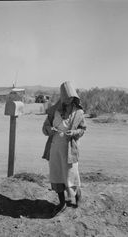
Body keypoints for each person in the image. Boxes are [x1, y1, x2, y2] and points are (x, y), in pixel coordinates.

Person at [42, 81, 86, 214]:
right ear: (62, 98)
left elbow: (83, 129)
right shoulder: (53, 111)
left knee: (72, 174)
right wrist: (51, 129)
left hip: (69, 150)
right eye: (66, 98)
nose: (69, 101)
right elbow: (45, 128)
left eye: (71, 98)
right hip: (55, 149)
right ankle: (62, 203)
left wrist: (73, 133)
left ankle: (77, 198)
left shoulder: (78, 112)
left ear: (74, 97)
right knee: (57, 175)